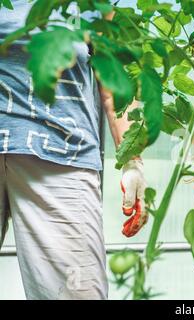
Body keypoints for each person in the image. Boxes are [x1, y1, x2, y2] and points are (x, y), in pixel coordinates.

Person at [0, 1, 147, 299]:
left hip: (63, 152)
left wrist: (133, 161)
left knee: (77, 292)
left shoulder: (92, 4)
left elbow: (116, 82)